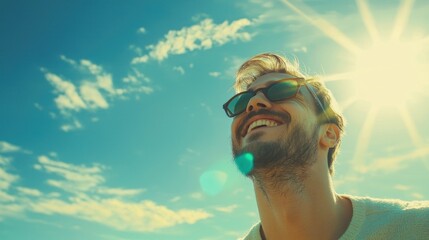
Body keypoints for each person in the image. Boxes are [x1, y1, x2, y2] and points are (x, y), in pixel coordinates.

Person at [222, 53, 429, 240]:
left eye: (282, 90)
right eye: (242, 101)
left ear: (329, 134)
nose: (254, 103)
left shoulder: (420, 227)